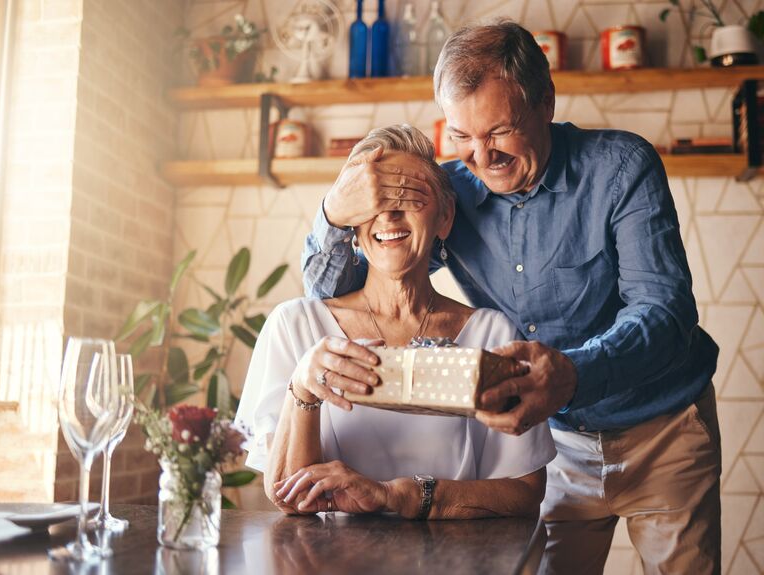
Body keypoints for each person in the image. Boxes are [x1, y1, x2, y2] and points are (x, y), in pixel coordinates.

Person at [300, 20, 721, 575]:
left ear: (544, 102)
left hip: (663, 431)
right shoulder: (451, 197)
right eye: (461, 136)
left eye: (499, 131)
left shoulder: (621, 167)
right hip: (556, 445)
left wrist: (571, 374)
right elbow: (329, 297)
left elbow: (665, 313)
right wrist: (334, 211)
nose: (480, 157)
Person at [236, 124, 556, 521]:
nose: (388, 213)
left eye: (409, 195)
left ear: (445, 217)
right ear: (352, 224)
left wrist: (401, 496)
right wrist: (304, 387)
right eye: (375, 199)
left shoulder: (492, 334)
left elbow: (524, 491)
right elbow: (289, 497)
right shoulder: (294, 326)